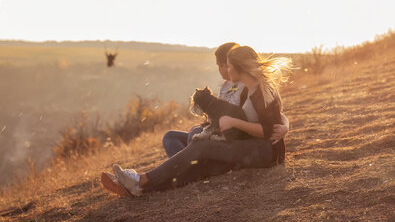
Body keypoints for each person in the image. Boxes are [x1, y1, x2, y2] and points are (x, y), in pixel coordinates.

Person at [105, 45, 293, 196]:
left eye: (228, 65)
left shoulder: (260, 91)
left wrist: (235, 123)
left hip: (267, 153)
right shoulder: (253, 89)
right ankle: (140, 186)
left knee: (201, 148)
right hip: (252, 146)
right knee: (204, 161)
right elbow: (271, 118)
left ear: (238, 67)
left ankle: (141, 180)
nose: (226, 70)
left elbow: (268, 131)